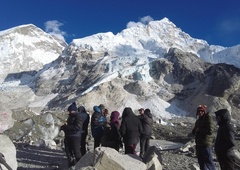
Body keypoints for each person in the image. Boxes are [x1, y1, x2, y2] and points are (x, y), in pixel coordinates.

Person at [192, 105, 215, 170]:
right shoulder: (198, 120)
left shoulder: (208, 118)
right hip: (199, 144)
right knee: (201, 163)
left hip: (206, 145)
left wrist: (200, 130)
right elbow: (194, 131)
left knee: (209, 163)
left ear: (204, 111)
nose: (200, 112)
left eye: (201, 111)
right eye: (199, 111)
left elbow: (210, 131)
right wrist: (195, 131)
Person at [60, 102, 83, 168]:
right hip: (68, 135)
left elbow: (77, 127)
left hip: (75, 136)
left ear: (74, 110)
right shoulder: (70, 116)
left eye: (70, 111)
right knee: (68, 150)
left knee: (76, 151)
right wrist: (64, 127)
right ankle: (71, 164)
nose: (69, 112)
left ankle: (80, 165)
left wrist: (67, 127)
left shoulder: (78, 117)